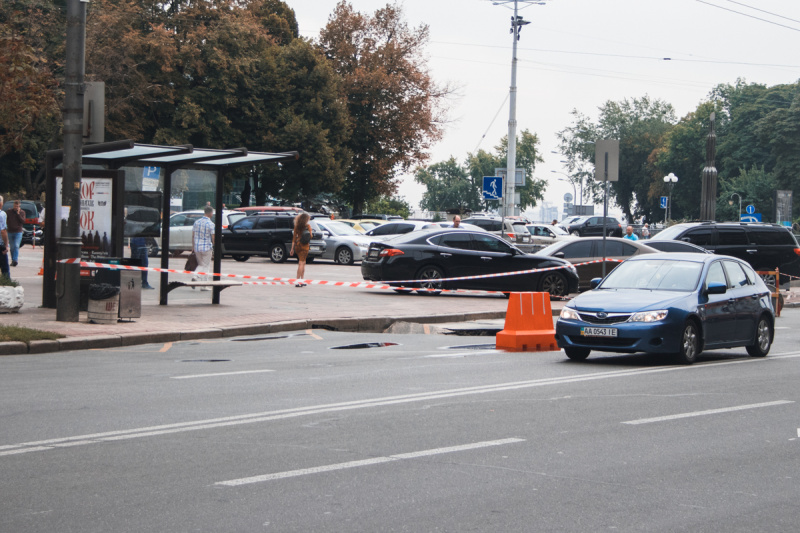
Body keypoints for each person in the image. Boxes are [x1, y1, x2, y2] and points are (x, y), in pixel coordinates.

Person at [192, 206, 214, 291]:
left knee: (201, 264)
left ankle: (196, 277)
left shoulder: (196, 222)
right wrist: (214, 246)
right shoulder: (211, 224)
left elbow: (193, 235)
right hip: (207, 247)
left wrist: (193, 246)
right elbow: (213, 237)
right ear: (211, 213)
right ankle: (201, 283)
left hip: (197, 247)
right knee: (206, 265)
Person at [290, 211, 312, 287]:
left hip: (297, 245)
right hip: (305, 246)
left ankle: (301, 280)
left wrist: (292, 249)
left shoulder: (297, 226)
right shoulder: (308, 226)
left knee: (301, 262)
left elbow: (293, 238)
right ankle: (299, 280)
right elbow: (311, 236)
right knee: (302, 263)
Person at [6, 200, 25, 267]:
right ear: (13, 205)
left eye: (17, 206)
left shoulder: (22, 212)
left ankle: (15, 260)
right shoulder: (9, 212)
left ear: (19, 206)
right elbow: (6, 219)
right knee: (12, 247)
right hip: (10, 231)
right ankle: (13, 260)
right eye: (15, 206)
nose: (16, 207)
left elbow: (23, 221)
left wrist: (18, 214)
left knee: (16, 245)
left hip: (18, 232)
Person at [0, 196, 10, 279]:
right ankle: (6, 283)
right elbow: (3, 231)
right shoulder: (2, 214)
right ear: (1, 203)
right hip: (0, 245)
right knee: (5, 268)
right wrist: (6, 245)